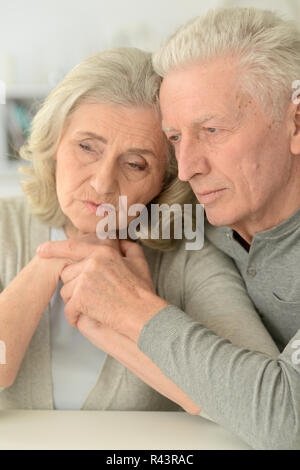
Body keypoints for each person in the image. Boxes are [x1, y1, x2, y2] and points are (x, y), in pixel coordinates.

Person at [37, 8, 300, 449]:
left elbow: (288, 420)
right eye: (176, 138)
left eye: (212, 129)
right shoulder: (198, 216)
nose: (190, 168)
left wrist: (134, 312)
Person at [0, 47, 278, 413]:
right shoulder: (6, 225)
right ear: (53, 144)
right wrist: (49, 264)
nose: (102, 184)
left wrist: (135, 315)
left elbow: (264, 404)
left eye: (134, 164)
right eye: (87, 147)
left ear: (163, 183)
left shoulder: (188, 255)